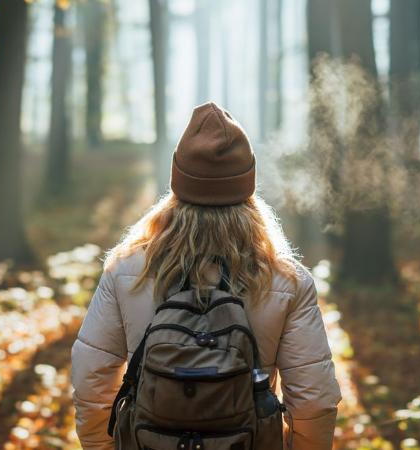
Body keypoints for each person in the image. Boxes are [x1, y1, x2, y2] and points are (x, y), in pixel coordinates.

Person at [71, 102, 341, 450]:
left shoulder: (127, 270)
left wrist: (103, 447)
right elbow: (314, 401)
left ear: (178, 184)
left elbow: (92, 383)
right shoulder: (286, 280)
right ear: (247, 188)